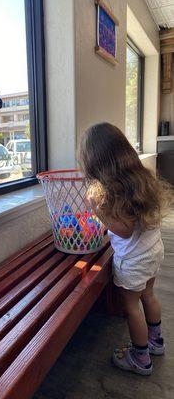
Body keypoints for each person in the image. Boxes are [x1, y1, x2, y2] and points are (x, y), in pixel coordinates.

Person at [79, 122, 172, 376]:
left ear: (94, 162)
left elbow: (124, 230)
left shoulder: (110, 192)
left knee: (131, 307)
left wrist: (97, 210)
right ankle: (156, 341)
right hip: (153, 250)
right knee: (149, 295)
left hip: (133, 260)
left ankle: (140, 357)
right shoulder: (140, 176)